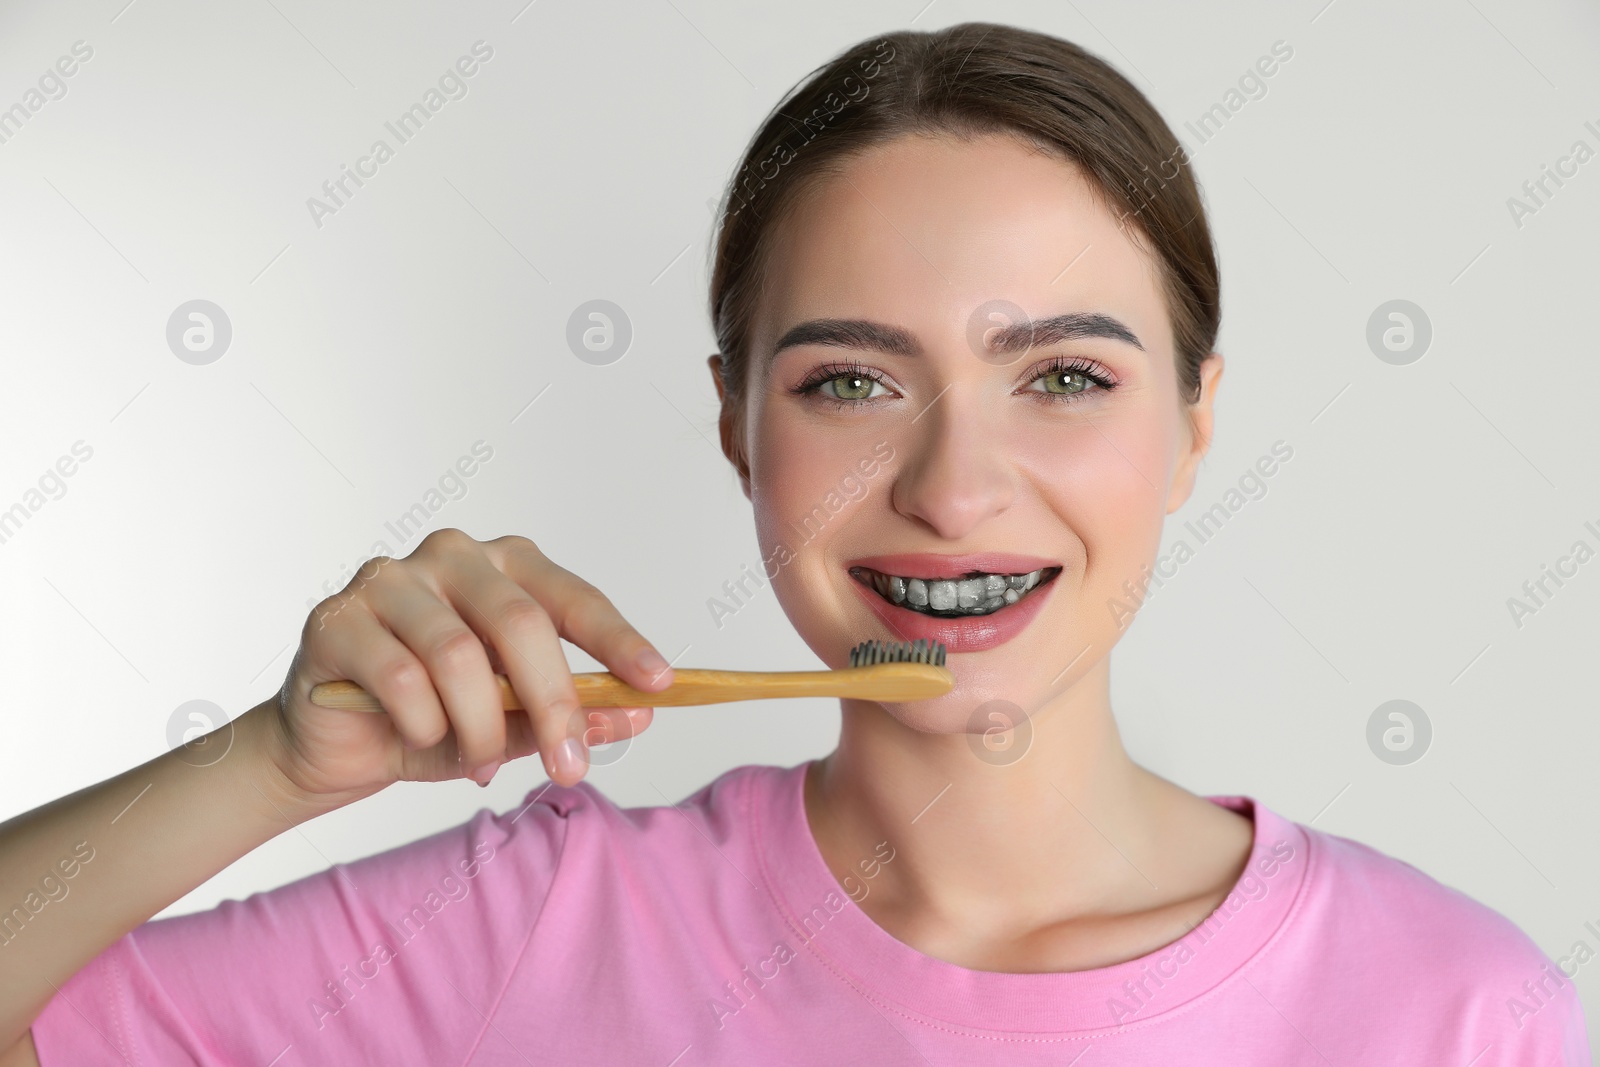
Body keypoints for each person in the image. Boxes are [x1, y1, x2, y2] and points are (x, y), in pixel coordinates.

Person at [1, 21, 1588, 1066]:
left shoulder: (1462, 1012)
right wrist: (274, 766)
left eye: (1064, 378)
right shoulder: (523, 929)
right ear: (734, 427)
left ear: (1192, 423)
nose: (956, 489)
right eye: (852, 380)